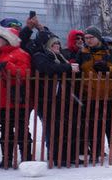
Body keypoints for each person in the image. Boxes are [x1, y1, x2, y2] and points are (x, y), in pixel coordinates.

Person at [31, 30, 81, 166]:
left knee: (65, 127)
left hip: (62, 98)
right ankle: (55, 156)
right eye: (54, 44)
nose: (57, 46)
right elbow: (48, 68)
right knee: (52, 128)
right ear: (48, 45)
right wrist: (68, 68)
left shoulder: (61, 57)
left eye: (59, 43)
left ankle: (67, 156)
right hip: (47, 98)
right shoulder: (40, 56)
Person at [77, 26, 112, 159]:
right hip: (89, 95)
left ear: (98, 38)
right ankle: (96, 150)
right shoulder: (82, 52)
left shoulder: (109, 51)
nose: (88, 40)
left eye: (91, 38)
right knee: (94, 125)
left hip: (108, 94)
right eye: (86, 38)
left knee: (111, 125)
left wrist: (107, 68)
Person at [0, 26, 32, 168]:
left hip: (18, 100)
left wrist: (7, 65)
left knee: (22, 130)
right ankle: (7, 158)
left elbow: (25, 73)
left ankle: (26, 158)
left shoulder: (21, 54)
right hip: (2, 100)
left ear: (7, 40)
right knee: (5, 130)